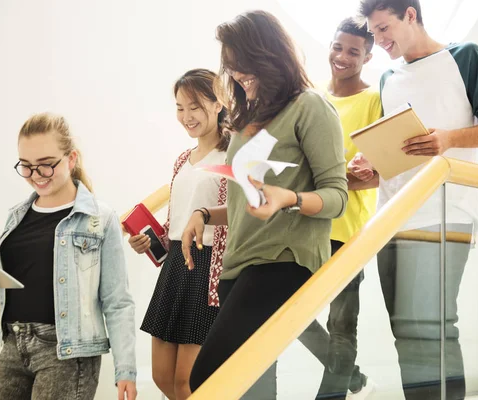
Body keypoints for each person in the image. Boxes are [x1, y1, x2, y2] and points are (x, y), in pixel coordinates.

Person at [182, 11, 348, 399]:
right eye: (231, 65)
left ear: (270, 54)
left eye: (244, 62)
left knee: (208, 377)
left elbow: (337, 196)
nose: (237, 73)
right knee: (253, 388)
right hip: (238, 264)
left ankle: (345, 369)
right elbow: (247, 203)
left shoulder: (311, 107)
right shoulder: (249, 119)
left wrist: (289, 198)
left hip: (282, 262)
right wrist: (204, 214)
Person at [0, 113, 137, 400]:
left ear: (71, 158)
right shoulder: (16, 217)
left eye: (45, 165)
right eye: (26, 167)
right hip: (14, 344)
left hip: (66, 352)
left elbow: (118, 301)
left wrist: (125, 369)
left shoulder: (99, 219)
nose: (35, 175)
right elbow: (14, 291)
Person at [352, 0, 478, 398]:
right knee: (404, 331)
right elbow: (401, 154)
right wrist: (372, 166)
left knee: (432, 325)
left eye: (384, 28)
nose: (379, 40)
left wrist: (448, 140)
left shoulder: (465, 57)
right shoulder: (388, 77)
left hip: (446, 207)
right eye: (373, 33)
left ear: (411, 14)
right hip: (392, 215)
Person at [128, 69, 229, 400]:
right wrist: (147, 242)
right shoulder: (183, 160)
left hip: (207, 269)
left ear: (218, 104)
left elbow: (242, 217)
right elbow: (178, 222)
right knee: (161, 378)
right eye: (180, 107)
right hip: (175, 264)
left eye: (195, 106)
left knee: (189, 382)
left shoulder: (231, 157)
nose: (186, 116)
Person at [298, 17, 382, 400]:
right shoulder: (310, 97)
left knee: (342, 322)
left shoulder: (374, 100)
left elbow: (383, 172)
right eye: (337, 47)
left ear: (368, 55)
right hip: (304, 226)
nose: (342, 57)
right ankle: (352, 376)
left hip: (349, 230)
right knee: (288, 314)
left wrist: (334, 181)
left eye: (353, 51)